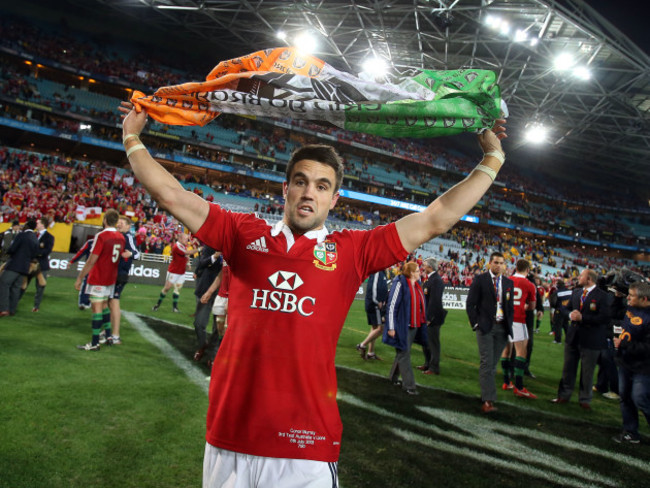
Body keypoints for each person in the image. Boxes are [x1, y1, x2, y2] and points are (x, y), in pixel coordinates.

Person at [119, 100, 506, 487]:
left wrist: (492, 160)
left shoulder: (353, 250)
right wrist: (132, 137)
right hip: (229, 436)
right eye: (301, 181)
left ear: (334, 199)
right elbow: (171, 196)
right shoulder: (242, 233)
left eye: (322, 186)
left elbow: (436, 218)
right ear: (285, 189)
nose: (309, 193)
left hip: (304, 444)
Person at [551, 268, 610, 410]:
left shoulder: (602, 296)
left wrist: (583, 318)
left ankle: (585, 399)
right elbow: (565, 309)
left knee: (587, 372)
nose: (578, 277)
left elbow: (604, 318)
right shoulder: (576, 293)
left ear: (589, 278)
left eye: (581, 275)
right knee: (568, 368)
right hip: (573, 337)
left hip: (591, 339)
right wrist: (570, 315)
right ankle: (564, 395)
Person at [466, 252, 514, 413]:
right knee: (487, 363)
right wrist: (476, 324)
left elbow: (509, 307)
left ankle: (486, 395)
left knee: (492, 364)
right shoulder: (480, 279)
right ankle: (488, 400)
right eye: (495, 262)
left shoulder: (508, 283)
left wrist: (510, 325)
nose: (498, 265)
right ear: (489, 263)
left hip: (502, 328)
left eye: (501, 263)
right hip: (485, 327)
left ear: (504, 265)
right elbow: (470, 304)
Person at [74, 210, 125, 351]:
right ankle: (108, 336)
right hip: (111, 278)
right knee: (104, 306)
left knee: (96, 308)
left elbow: (92, 260)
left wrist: (80, 278)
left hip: (99, 277)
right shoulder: (121, 237)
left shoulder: (102, 236)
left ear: (104, 220)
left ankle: (95, 343)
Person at [612, 282, 650, 444]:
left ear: (644, 299)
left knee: (640, 398)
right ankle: (631, 432)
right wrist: (616, 297)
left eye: (632, 295)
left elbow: (648, 347)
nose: (628, 298)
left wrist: (623, 344)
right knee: (625, 397)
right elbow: (614, 313)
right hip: (625, 361)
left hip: (643, 366)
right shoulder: (630, 307)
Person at [383, 262, 427, 395]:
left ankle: (393, 377)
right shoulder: (400, 283)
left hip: (414, 325)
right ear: (412, 272)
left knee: (402, 352)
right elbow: (391, 306)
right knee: (404, 353)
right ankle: (409, 385)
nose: (420, 272)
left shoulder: (417, 286)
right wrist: (391, 327)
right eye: (418, 270)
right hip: (402, 325)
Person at [500, 259, 537, 398]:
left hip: (504, 319)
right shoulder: (529, 284)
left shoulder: (506, 280)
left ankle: (506, 382)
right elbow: (532, 306)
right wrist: (524, 306)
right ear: (528, 270)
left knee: (506, 350)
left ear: (515, 268)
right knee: (521, 352)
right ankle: (519, 386)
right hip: (518, 319)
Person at [107, 215, 141, 345]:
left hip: (120, 274)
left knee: (114, 302)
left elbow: (137, 253)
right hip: (113, 273)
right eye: (118, 222)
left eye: (122, 222)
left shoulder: (128, 237)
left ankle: (115, 335)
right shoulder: (117, 236)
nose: (119, 224)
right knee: (109, 302)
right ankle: (108, 331)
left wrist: (131, 254)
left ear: (128, 226)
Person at [0, 220, 38, 317]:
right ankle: (12, 309)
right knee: (16, 288)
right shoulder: (35, 238)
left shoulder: (21, 235)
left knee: (4, 283)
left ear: (27, 226)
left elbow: (12, 249)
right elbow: (35, 254)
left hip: (15, 264)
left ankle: (3, 308)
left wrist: (8, 252)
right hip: (25, 267)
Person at [192, 245, 223, 363]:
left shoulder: (235, 245)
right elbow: (201, 263)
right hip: (206, 288)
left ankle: (213, 355)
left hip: (223, 291)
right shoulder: (212, 244)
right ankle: (202, 345)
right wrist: (215, 256)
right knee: (199, 323)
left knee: (218, 327)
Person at [152, 232, 196, 312]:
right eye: (186, 239)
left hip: (181, 272)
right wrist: (199, 249)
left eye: (187, 239)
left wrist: (188, 264)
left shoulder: (183, 246)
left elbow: (186, 256)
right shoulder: (177, 246)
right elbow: (187, 253)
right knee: (167, 288)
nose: (187, 241)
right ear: (180, 238)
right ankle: (157, 305)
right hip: (173, 271)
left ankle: (175, 308)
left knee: (177, 289)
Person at [421, 257, 447, 375]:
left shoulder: (436, 280)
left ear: (430, 267)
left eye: (425, 265)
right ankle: (427, 363)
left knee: (433, 343)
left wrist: (429, 318)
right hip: (427, 316)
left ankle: (434, 367)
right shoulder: (430, 279)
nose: (423, 266)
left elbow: (435, 301)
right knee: (426, 342)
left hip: (433, 318)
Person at [357, 269, 388, 360]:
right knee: (380, 328)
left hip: (373, 303)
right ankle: (362, 345)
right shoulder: (378, 271)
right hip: (374, 304)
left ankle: (371, 353)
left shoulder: (381, 272)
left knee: (374, 327)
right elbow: (373, 287)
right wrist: (377, 301)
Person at [31, 217, 55, 312]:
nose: (36, 224)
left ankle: (36, 306)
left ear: (43, 224)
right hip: (29, 263)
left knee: (40, 286)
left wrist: (35, 253)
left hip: (41, 264)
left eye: (38, 223)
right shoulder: (32, 235)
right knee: (21, 284)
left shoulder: (49, 237)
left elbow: (47, 251)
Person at [69, 236, 94, 310]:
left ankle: (85, 302)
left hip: (92, 267)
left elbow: (81, 252)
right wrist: (72, 261)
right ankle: (85, 302)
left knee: (87, 284)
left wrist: (72, 261)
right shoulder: (90, 242)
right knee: (87, 284)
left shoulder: (91, 242)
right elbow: (81, 252)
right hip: (94, 268)